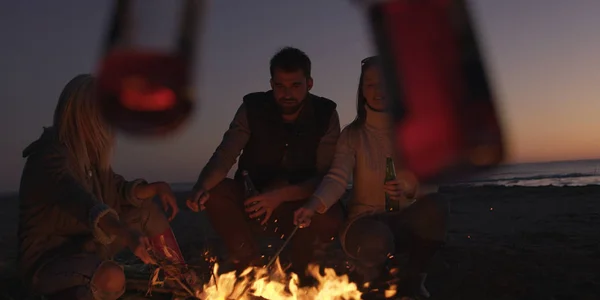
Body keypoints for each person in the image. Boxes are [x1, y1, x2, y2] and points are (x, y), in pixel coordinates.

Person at [18, 74, 193, 300]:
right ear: (85, 116)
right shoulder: (49, 157)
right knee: (110, 277)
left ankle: (183, 278)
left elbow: (117, 190)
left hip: (87, 247)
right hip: (47, 264)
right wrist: (127, 235)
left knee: (145, 209)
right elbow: (83, 203)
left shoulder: (90, 160)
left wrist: (155, 188)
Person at [293, 56, 448, 299]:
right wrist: (313, 205)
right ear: (362, 90)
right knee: (377, 240)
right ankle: (377, 283)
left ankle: (413, 279)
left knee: (437, 207)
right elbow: (337, 177)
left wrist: (409, 187)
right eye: (370, 84)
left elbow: (431, 179)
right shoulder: (352, 135)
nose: (377, 91)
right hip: (364, 225)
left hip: (404, 220)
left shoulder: (412, 129)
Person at [186, 47, 344, 278]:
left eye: (295, 85)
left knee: (329, 215)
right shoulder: (252, 108)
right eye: (280, 85)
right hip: (252, 199)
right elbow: (225, 154)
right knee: (216, 193)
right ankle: (251, 272)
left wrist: (279, 195)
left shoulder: (326, 113)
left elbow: (325, 177)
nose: (287, 93)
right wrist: (202, 186)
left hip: (298, 204)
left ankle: (303, 274)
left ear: (309, 83)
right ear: (271, 83)